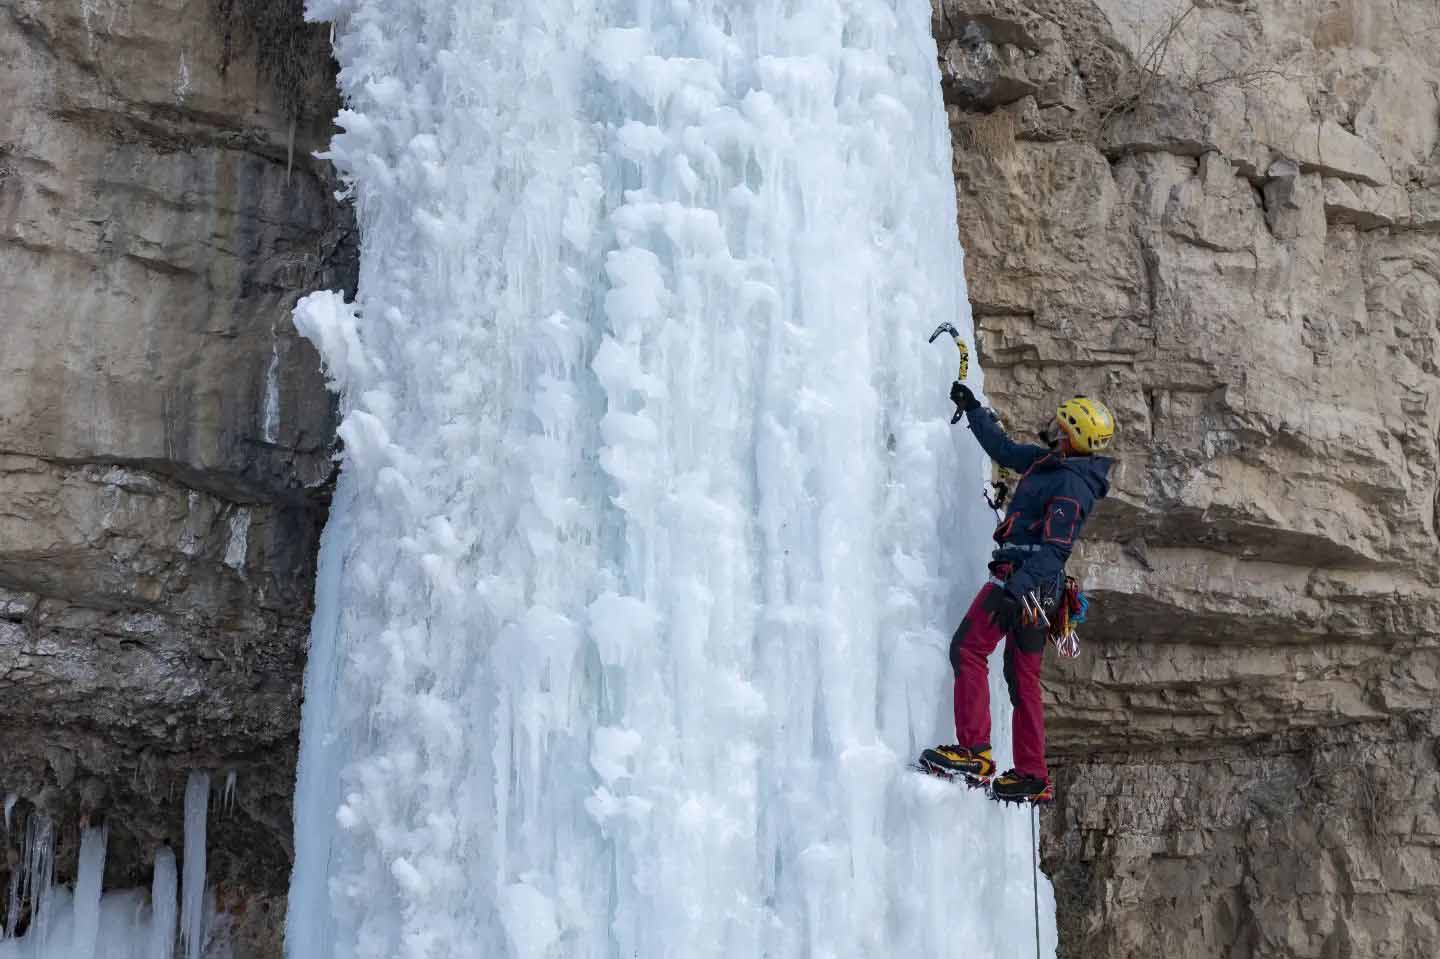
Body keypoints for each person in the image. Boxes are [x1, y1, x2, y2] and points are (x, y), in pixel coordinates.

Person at [920, 384, 1115, 804]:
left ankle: (975, 753)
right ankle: (1031, 774)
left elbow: (1056, 549)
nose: (1053, 428)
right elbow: (1006, 450)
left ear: (1073, 436)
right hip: (1038, 590)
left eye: (1061, 426)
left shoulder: (1070, 484)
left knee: (968, 649)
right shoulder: (1051, 463)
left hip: (1023, 583)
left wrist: (1018, 587)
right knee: (1021, 677)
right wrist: (974, 410)